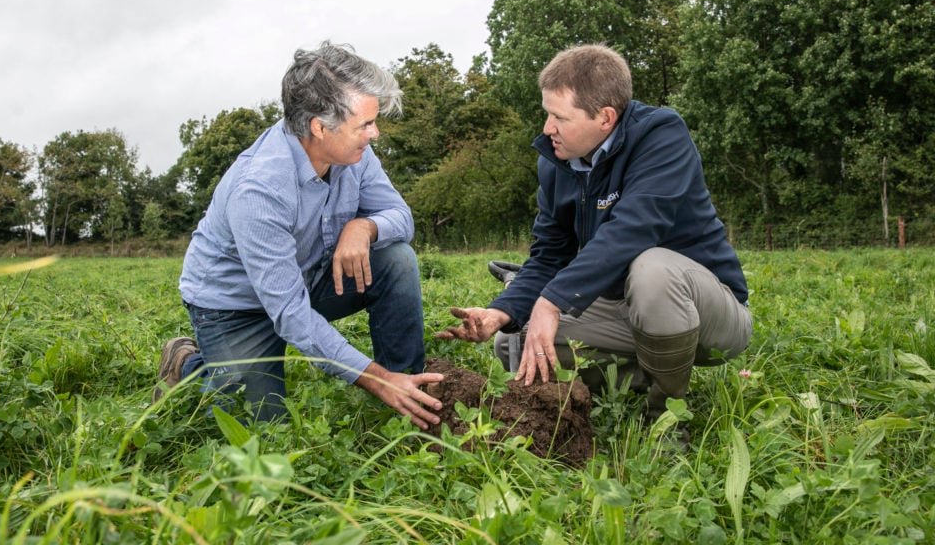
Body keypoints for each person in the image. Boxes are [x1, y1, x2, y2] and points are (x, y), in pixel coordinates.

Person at [436, 43, 751, 424]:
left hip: (708, 312)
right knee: (516, 342)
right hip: (625, 309)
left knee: (652, 268)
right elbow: (549, 256)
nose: (547, 129)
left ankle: (667, 418)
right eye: (546, 114)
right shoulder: (557, 162)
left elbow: (634, 229)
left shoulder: (661, 135)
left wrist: (551, 302)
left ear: (605, 117)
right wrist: (500, 313)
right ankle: (656, 372)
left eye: (559, 117)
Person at [154, 41, 444, 430]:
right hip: (236, 307)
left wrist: (364, 226)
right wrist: (371, 377)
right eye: (365, 125)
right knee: (258, 430)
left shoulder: (354, 154)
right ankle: (188, 365)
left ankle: (409, 389)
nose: (374, 134)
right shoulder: (259, 189)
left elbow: (401, 217)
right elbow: (290, 314)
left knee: (395, 259)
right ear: (319, 127)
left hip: (309, 278)